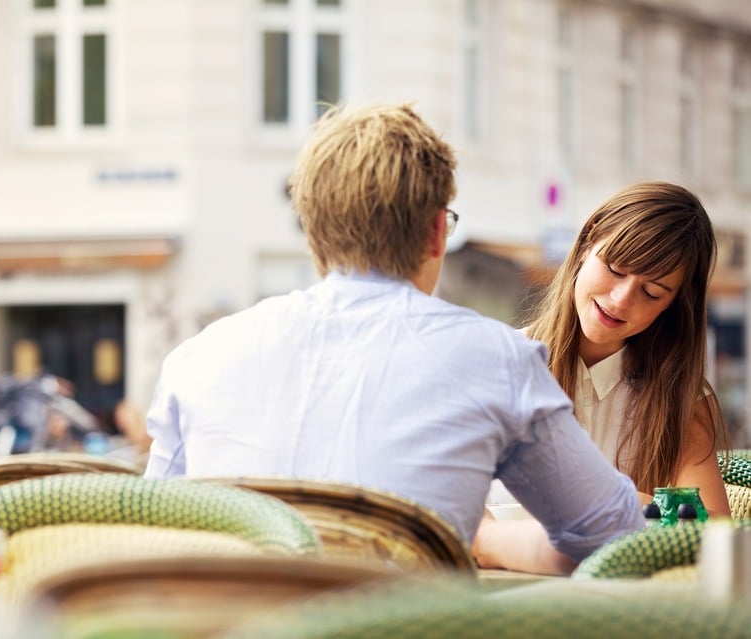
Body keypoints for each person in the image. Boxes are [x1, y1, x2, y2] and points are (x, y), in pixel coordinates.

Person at [143, 102, 644, 575]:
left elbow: (153, 535)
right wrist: (489, 544)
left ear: (313, 231)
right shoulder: (496, 360)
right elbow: (613, 532)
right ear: (434, 233)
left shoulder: (198, 357)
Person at [523, 181, 730, 516]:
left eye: (652, 292)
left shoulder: (682, 399)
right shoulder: (498, 362)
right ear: (587, 242)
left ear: (674, 305)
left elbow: (707, 529)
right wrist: (645, 505)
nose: (621, 300)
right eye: (615, 269)